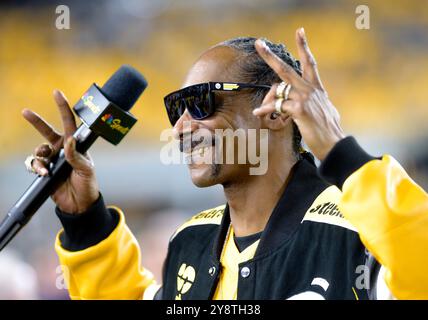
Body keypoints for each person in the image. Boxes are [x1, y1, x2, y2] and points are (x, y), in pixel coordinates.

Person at [23, 28, 428, 300]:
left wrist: (339, 151)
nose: (181, 127)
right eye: (175, 109)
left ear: (276, 110)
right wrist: (85, 221)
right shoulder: (191, 241)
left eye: (199, 103)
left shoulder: (354, 231)